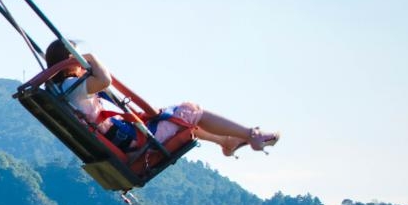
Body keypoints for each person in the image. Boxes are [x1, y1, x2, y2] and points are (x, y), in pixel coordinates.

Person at [44, 39, 279, 158]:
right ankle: (251, 135)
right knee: (193, 110)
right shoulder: (71, 87)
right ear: (69, 62)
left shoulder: (58, 90)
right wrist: (91, 57)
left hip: (125, 139)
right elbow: (104, 80)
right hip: (136, 143)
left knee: (179, 120)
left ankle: (225, 141)